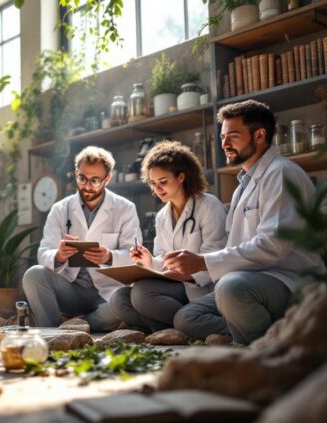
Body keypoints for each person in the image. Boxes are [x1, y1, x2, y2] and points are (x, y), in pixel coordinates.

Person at [163, 100, 325, 344]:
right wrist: (194, 264)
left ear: (259, 135)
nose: (224, 144)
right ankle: (277, 331)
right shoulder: (244, 184)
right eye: (222, 137)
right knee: (188, 316)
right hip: (253, 279)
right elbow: (235, 244)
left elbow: (273, 245)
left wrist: (202, 262)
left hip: (288, 280)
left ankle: (263, 353)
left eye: (233, 136)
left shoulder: (280, 173)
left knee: (230, 288)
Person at [108, 141, 227, 333]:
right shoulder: (163, 216)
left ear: (181, 176)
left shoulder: (209, 206)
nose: (157, 189)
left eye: (163, 182)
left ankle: (187, 322)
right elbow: (163, 260)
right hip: (172, 287)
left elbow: (215, 259)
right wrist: (148, 262)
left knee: (142, 293)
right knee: (119, 299)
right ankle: (181, 327)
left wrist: (183, 273)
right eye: (153, 184)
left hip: (200, 288)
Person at [22, 146, 142, 331]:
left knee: (122, 305)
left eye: (95, 180)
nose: (87, 185)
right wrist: (59, 255)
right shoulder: (60, 209)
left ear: (107, 179)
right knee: (33, 275)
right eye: (82, 178)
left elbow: (134, 256)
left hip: (107, 292)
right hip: (71, 289)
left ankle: (77, 326)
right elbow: (44, 251)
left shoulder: (125, 208)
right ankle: (51, 332)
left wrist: (109, 256)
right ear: (76, 173)